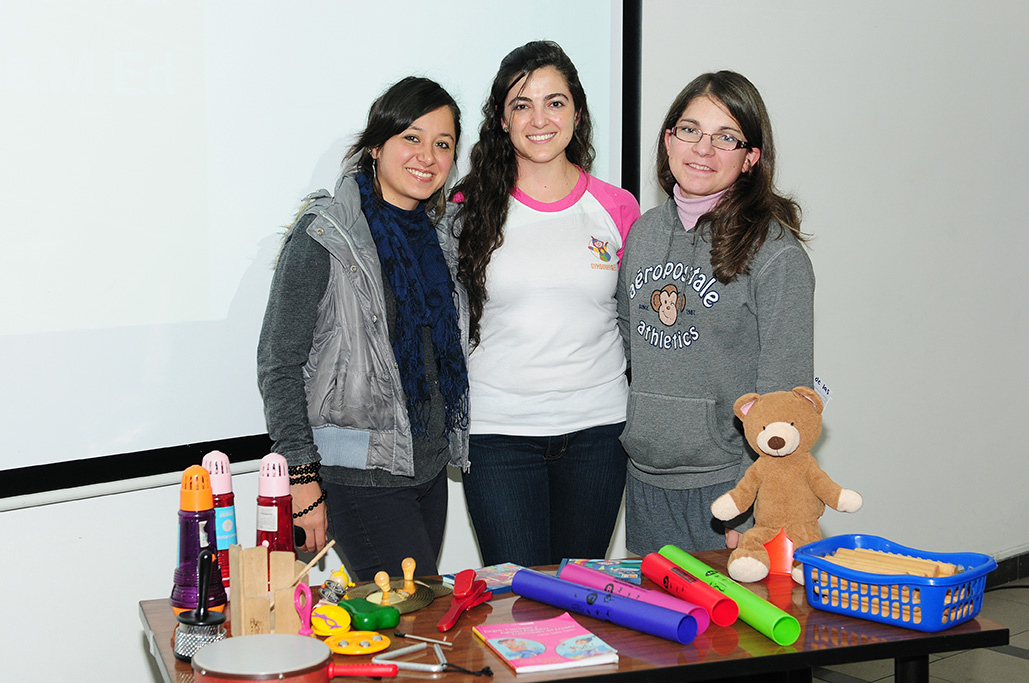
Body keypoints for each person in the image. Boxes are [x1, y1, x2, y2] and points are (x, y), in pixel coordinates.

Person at [257, 77, 469, 581]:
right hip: (359, 479)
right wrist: (302, 479)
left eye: (443, 144)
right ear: (376, 145)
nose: (427, 156)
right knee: (412, 611)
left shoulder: (440, 240)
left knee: (412, 618)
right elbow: (279, 363)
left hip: (427, 469)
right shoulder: (326, 234)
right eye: (411, 137)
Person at [455, 40, 640, 567]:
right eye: (522, 105)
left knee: (581, 595)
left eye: (555, 102)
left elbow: (637, 324)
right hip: (497, 437)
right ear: (502, 119)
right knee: (517, 601)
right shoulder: (467, 209)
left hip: (599, 434)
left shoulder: (617, 207)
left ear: (577, 113)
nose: (540, 119)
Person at [616, 71, 814, 555]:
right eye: (690, 130)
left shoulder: (775, 253)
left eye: (726, 137)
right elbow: (626, 344)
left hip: (730, 487)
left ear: (750, 158)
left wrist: (760, 503)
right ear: (668, 139)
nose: (703, 149)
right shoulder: (643, 234)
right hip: (645, 481)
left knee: (734, 609)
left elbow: (784, 397)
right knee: (656, 607)